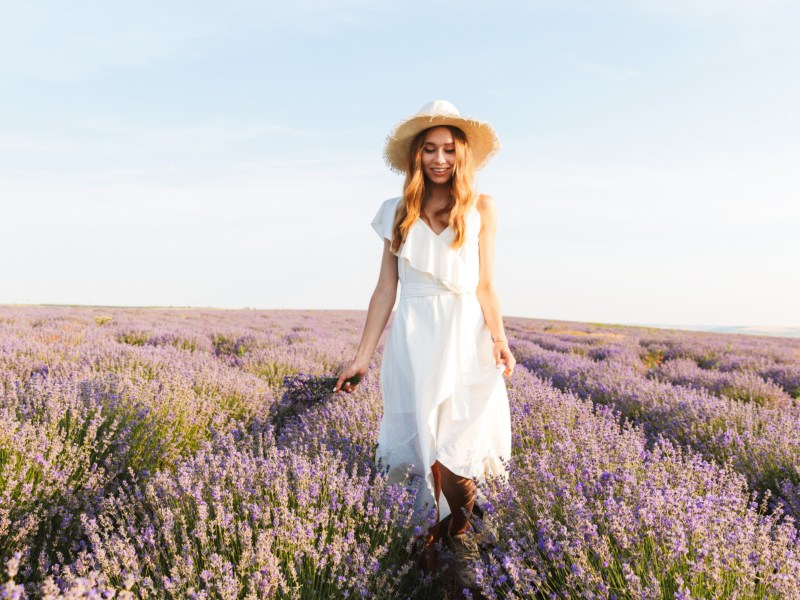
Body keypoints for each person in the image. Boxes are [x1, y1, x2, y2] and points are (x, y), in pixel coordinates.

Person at [334, 100, 514, 590]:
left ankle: (459, 536)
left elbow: (486, 286)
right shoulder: (396, 211)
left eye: (449, 150)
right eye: (430, 150)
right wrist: (361, 358)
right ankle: (436, 547)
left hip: (466, 336)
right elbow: (385, 290)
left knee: (459, 449)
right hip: (415, 337)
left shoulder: (481, 208)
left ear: (462, 155)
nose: (439, 159)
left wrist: (500, 341)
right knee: (430, 453)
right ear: (416, 156)